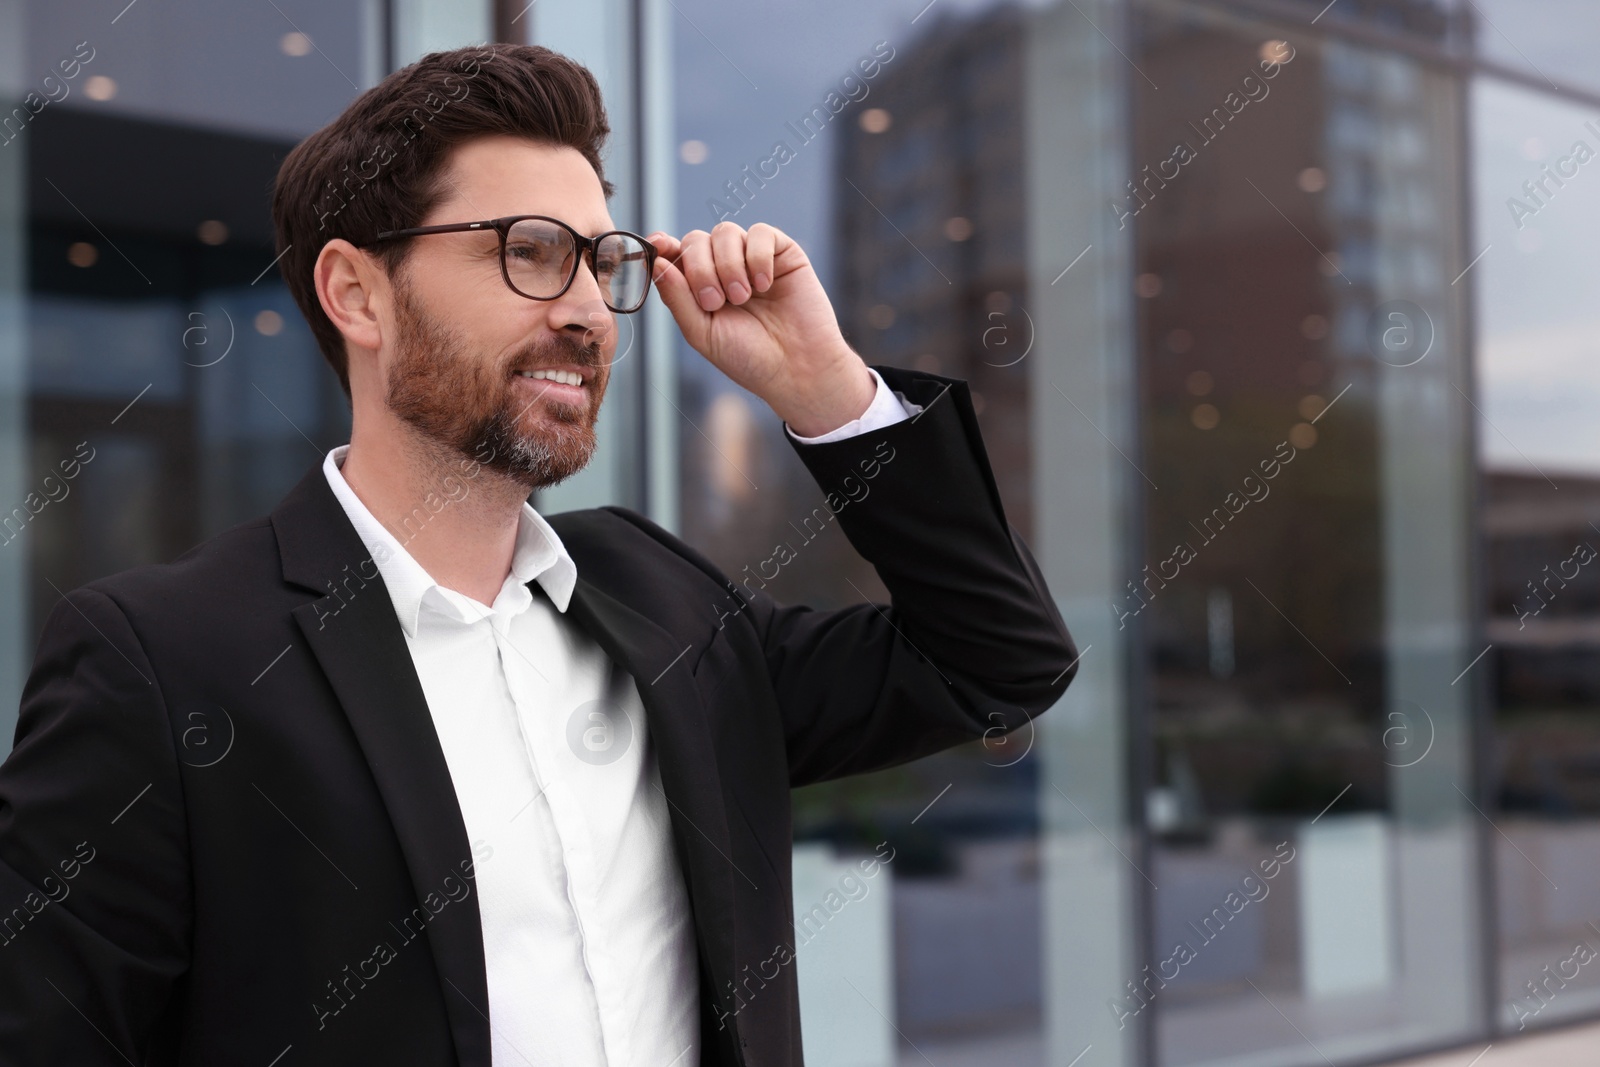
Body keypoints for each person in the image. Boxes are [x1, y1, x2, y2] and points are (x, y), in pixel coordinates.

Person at [0, 43, 1076, 1067]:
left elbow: (996, 660)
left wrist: (827, 390)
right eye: (529, 251)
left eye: (601, 261)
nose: (585, 311)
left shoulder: (668, 604)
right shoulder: (164, 658)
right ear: (356, 292)